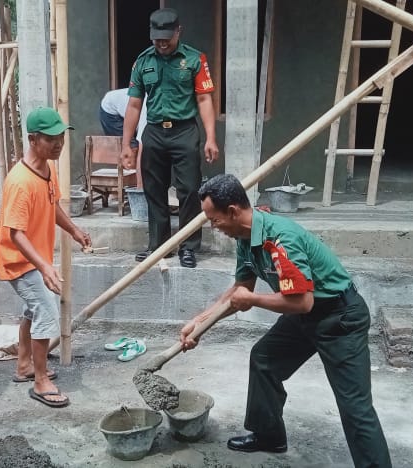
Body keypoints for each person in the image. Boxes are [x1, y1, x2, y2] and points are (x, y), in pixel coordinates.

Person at [180, 174, 392, 466]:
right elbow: (239, 291)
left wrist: (252, 301)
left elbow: (302, 301)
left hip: (340, 317)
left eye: (214, 220)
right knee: (264, 359)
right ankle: (269, 436)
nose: (214, 228)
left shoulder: (280, 238)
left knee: (355, 407)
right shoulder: (245, 237)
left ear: (232, 211)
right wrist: (199, 323)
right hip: (306, 313)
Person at [0, 107, 91, 408]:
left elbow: (53, 206)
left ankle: (24, 364)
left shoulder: (47, 171)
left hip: (34, 258)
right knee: (46, 312)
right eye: (52, 139)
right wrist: (44, 265)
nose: (59, 144)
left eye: (61, 137)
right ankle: (40, 381)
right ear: (33, 139)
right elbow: (15, 234)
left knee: (33, 310)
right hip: (19, 259)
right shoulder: (20, 181)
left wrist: (74, 230)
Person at [121, 7, 219, 269]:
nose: (162, 43)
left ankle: (188, 247)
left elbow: (203, 98)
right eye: (157, 38)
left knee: (188, 191)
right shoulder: (142, 62)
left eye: (167, 37)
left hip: (184, 131)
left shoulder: (195, 59)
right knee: (153, 190)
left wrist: (210, 137)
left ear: (179, 32)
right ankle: (159, 246)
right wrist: (127, 144)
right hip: (153, 132)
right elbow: (133, 105)